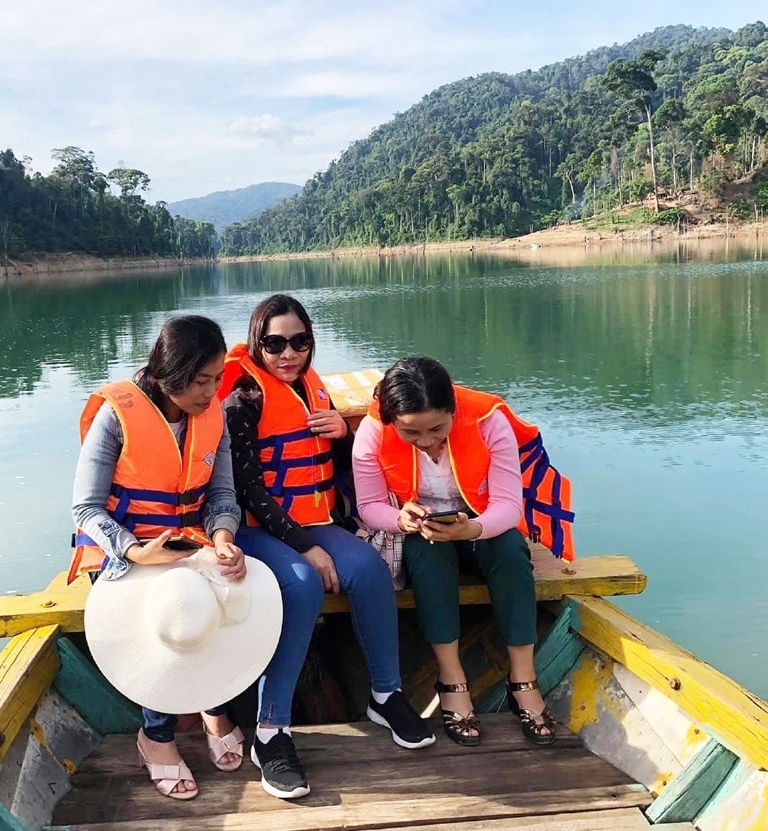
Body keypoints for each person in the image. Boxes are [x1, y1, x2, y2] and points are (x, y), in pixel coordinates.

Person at [220, 294, 435, 801]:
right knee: (300, 586)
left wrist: (342, 432)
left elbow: (339, 462)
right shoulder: (243, 400)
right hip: (256, 528)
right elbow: (249, 489)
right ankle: (270, 731)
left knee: (368, 568)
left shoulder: (313, 390)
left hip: (313, 519)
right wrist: (305, 549)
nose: (288, 354)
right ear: (257, 343)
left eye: (299, 342)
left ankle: (386, 695)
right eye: (274, 344)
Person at [70, 315, 250, 800]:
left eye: (216, 379)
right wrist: (134, 550)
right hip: (126, 551)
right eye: (200, 381)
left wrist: (225, 537)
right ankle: (157, 736)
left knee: (225, 597)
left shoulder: (213, 416)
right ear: (169, 373)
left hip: (191, 542)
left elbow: (223, 495)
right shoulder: (116, 414)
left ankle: (214, 705)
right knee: (166, 612)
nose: (211, 392)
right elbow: (85, 507)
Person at [352, 356, 575, 747]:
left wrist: (473, 528)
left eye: (437, 428)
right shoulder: (372, 432)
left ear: (454, 409)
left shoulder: (489, 420)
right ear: (392, 421)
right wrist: (401, 519)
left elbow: (509, 505)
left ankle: (523, 678)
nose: (426, 441)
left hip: (481, 524)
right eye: (411, 433)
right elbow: (369, 507)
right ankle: (451, 677)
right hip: (424, 532)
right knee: (430, 557)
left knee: (509, 551)